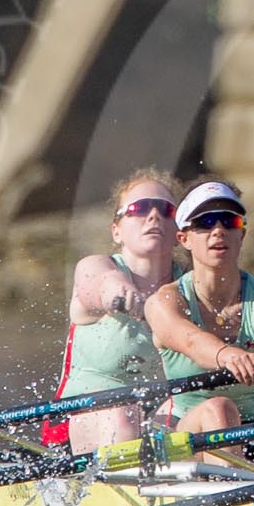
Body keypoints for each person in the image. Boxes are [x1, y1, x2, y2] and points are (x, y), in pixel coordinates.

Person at [145, 179, 254, 464]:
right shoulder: (166, 302)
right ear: (183, 238)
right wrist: (226, 354)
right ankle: (231, 492)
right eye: (205, 222)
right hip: (188, 435)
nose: (218, 230)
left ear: (241, 233)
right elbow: (191, 341)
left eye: (228, 221)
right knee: (219, 409)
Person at [53, 169, 180, 454]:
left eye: (165, 209)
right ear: (116, 230)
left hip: (157, 418)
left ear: (178, 231)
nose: (153, 216)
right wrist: (119, 295)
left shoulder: (189, 285)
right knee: (123, 412)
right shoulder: (96, 266)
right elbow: (97, 286)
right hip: (80, 422)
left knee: (212, 410)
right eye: (140, 208)